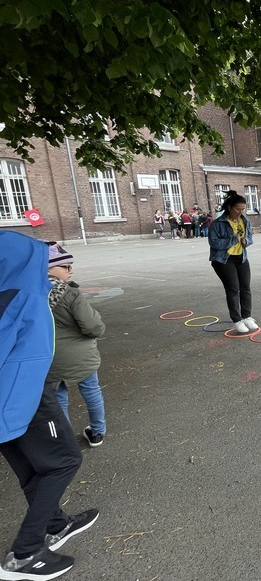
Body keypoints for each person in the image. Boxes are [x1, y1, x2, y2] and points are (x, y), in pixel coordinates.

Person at [0, 231, 99, 580]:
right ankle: (25, 553)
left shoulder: (13, 290)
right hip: (20, 395)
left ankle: (56, 524)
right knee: (65, 460)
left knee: (31, 466)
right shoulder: (22, 296)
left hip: (13, 396)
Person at [45, 244, 107, 449]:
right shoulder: (70, 294)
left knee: (59, 399)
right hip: (81, 357)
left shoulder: (30, 294)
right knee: (91, 391)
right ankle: (97, 432)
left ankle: (65, 441)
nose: (70, 270)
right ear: (47, 268)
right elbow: (93, 326)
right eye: (65, 266)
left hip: (50, 357)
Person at [208, 190, 259, 335]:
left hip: (241, 257)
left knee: (246, 288)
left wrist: (246, 241)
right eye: (238, 209)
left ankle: (247, 317)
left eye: (243, 209)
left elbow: (249, 237)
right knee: (233, 289)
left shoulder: (245, 220)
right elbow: (214, 243)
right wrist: (233, 239)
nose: (240, 212)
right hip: (223, 260)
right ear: (229, 207)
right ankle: (237, 320)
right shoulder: (218, 224)